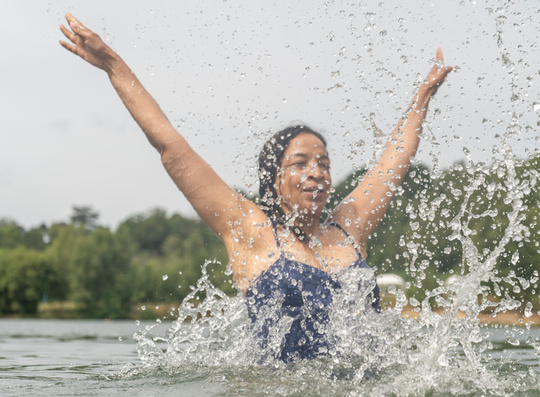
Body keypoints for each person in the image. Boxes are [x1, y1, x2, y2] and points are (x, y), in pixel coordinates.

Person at [59, 13, 453, 361]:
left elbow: (392, 162)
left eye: (324, 164)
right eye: (300, 164)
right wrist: (113, 64)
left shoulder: (349, 226)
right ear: (274, 180)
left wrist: (421, 100)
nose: (316, 172)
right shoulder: (250, 230)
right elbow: (171, 147)